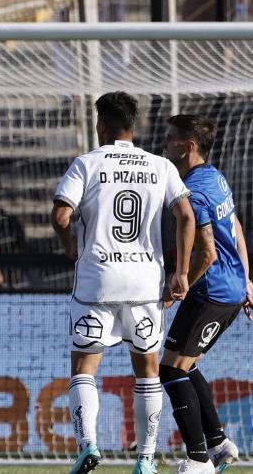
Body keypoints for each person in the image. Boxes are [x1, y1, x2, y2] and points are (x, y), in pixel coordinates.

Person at [51, 91, 195, 474]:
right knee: (147, 371)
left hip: (96, 280)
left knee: (84, 367)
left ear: (101, 124)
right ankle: (145, 460)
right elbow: (185, 216)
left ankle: (88, 446)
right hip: (145, 282)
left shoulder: (87, 163)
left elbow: (62, 214)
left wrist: (69, 246)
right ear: (133, 126)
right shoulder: (161, 166)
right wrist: (180, 272)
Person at [159, 115, 253, 474]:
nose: (165, 144)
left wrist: (181, 282)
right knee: (185, 363)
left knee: (171, 369)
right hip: (230, 288)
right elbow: (237, 228)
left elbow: (208, 253)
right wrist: (247, 279)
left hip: (211, 292)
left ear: (189, 146)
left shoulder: (194, 191)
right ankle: (217, 442)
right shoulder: (214, 177)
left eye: (170, 139)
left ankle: (198, 459)